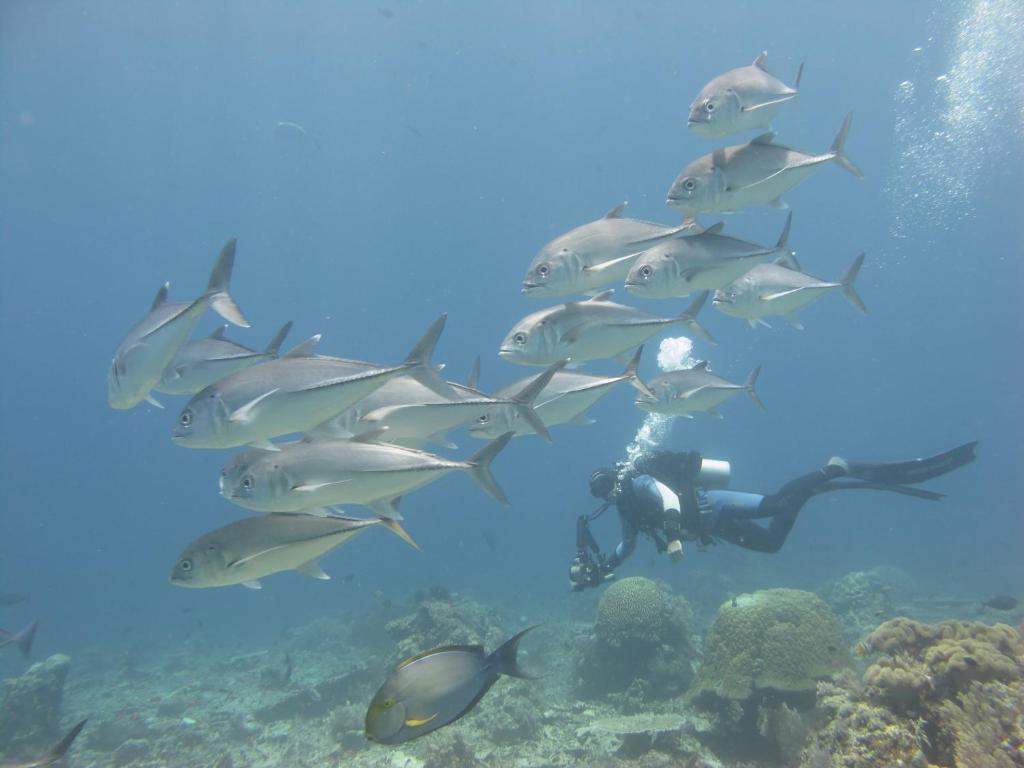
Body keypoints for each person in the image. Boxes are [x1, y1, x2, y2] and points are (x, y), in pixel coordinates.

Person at [568, 442, 977, 590]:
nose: (607, 495)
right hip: (712, 527)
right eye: (600, 493)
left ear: (615, 478)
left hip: (714, 504)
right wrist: (604, 569)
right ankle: (812, 490)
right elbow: (628, 544)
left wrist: (674, 535)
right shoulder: (626, 507)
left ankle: (832, 469)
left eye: (606, 487)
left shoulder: (639, 483)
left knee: (777, 503)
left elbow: (669, 498)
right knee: (772, 544)